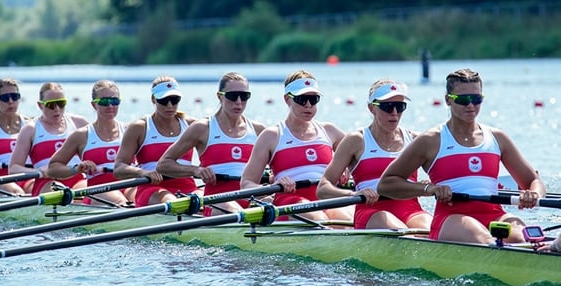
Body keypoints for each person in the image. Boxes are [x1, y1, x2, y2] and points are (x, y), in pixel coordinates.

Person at [377, 68, 545, 244]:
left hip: (495, 214)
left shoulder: (497, 138)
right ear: (448, 100)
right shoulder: (431, 140)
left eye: (476, 99)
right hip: (452, 218)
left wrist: (533, 195)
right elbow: (386, 184)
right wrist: (428, 189)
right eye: (463, 100)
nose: (471, 105)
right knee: (482, 237)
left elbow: (534, 181)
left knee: (522, 238)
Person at [316, 79, 432, 229]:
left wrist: (427, 187)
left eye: (400, 106)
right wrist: (353, 195)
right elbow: (322, 189)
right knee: (403, 232)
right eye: (388, 107)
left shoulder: (415, 139)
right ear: (372, 108)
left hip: (411, 210)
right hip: (371, 211)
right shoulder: (356, 140)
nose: (395, 113)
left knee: (431, 231)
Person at [240, 69, 352, 221]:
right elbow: (246, 184)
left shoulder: (329, 131)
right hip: (289, 203)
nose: (308, 105)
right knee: (322, 220)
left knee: (349, 222)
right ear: (287, 99)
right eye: (301, 99)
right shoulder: (271, 136)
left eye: (313, 100)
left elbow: (361, 159)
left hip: (325, 199)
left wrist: (347, 168)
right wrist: (274, 185)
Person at [157, 72, 265, 215]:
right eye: (232, 96)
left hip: (252, 199)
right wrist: (196, 170)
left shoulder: (258, 130)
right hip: (217, 201)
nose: (239, 101)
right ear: (219, 96)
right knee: (234, 210)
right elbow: (163, 164)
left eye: (244, 96)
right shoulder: (202, 128)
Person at [47, 80, 137, 206]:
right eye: (104, 102)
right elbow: (53, 168)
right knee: (122, 202)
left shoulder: (130, 131)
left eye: (115, 101)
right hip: (99, 191)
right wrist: (77, 168)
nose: (110, 106)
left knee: (140, 199)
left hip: (129, 186)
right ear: (94, 105)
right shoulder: (82, 135)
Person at [113, 76, 197, 207]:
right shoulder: (139, 128)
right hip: (151, 189)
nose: (170, 105)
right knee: (175, 204)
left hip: (188, 188)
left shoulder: (192, 125)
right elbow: (118, 169)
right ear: (153, 99)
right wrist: (143, 172)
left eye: (174, 100)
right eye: (163, 100)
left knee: (209, 203)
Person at [9, 82, 90, 196]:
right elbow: (13, 168)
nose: (57, 109)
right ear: (40, 105)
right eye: (51, 105)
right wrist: (38, 172)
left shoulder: (79, 123)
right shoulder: (30, 129)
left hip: (77, 179)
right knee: (61, 194)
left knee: (90, 192)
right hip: (46, 182)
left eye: (61, 104)